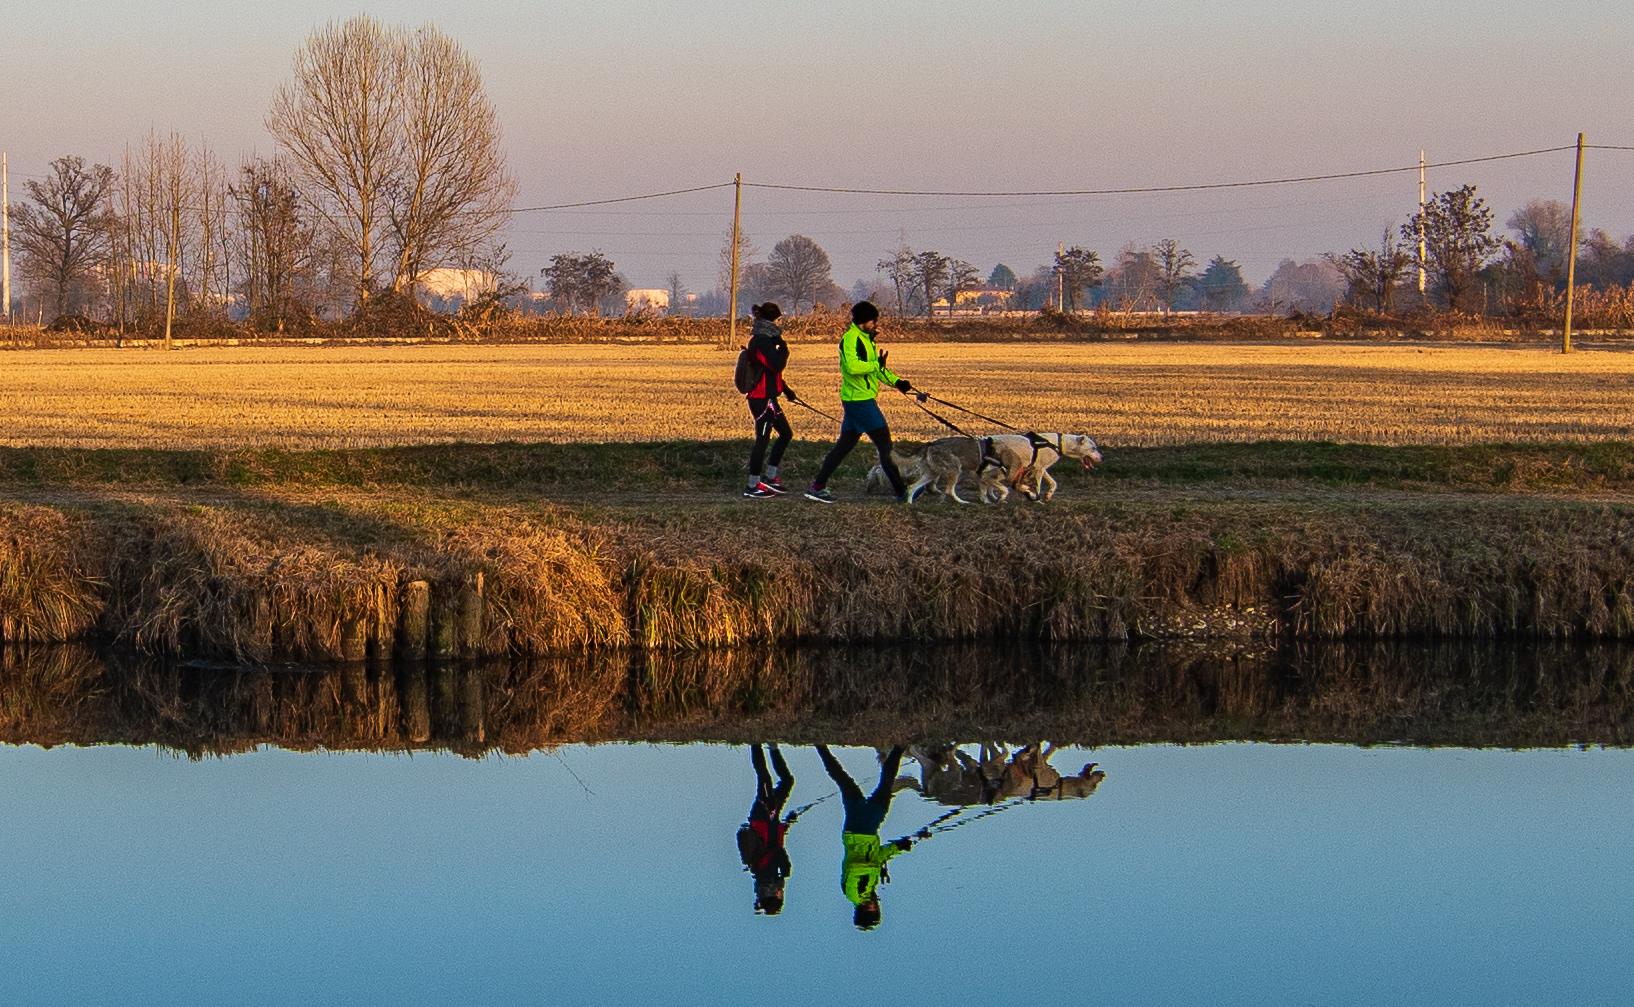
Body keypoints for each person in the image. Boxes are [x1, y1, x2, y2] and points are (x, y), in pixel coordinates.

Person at [803, 301, 911, 504]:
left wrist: (898, 383)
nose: (876, 324)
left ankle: (817, 487)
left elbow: (876, 368)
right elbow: (853, 367)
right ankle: (902, 492)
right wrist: (876, 365)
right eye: (874, 320)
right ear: (864, 320)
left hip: (858, 399)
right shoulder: (851, 339)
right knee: (885, 446)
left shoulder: (866, 339)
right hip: (860, 401)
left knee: (843, 447)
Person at [815, 743, 927, 930]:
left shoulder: (854, 893)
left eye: (874, 910)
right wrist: (899, 847)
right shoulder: (868, 889)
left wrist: (875, 866)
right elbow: (877, 856)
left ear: (868, 910)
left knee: (885, 787)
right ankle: (820, 746)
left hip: (862, 832)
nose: (876, 906)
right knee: (844, 781)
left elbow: (854, 867)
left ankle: (900, 745)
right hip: (857, 832)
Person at [742, 303, 798, 498]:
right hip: (761, 399)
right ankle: (753, 485)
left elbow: (770, 373)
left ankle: (770, 478)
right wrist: (784, 350)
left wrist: (786, 391)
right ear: (774, 320)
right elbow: (775, 366)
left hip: (769, 397)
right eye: (779, 319)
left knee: (785, 434)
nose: (781, 323)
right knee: (763, 439)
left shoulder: (766, 339)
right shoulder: (762, 341)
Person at [736, 743, 796, 915]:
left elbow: (777, 851)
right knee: (787, 781)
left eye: (780, 896)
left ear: (774, 894)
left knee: (764, 778)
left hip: (763, 817)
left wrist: (786, 870)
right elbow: (774, 843)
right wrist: (787, 823)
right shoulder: (762, 874)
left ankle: (756, 743)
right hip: (769, 820)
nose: (782, 893)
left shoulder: (770, 875)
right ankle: (771, 746)